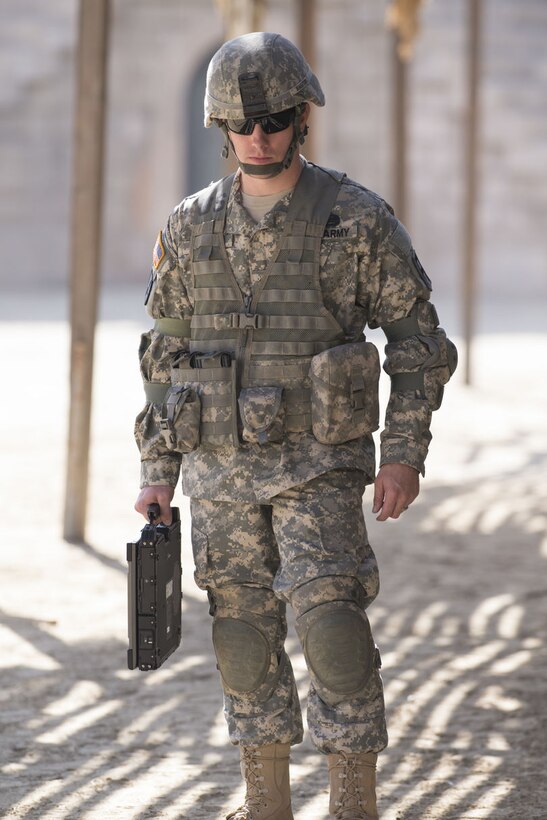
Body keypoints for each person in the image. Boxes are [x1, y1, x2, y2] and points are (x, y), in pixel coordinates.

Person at [134, 31, 457, 820]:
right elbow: (164, 355)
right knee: (240, 641)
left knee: (332, 630)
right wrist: (155, 471)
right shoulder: (188, 226)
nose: (258, 135)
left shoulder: (354, 219)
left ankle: (352, 798)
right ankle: (266, 797)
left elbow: (419, 342)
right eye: (242, 123)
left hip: (319, 465)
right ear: (221, 126)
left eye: (274, 118)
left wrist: (402, 452)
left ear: (301, 116)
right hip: (217, 472)